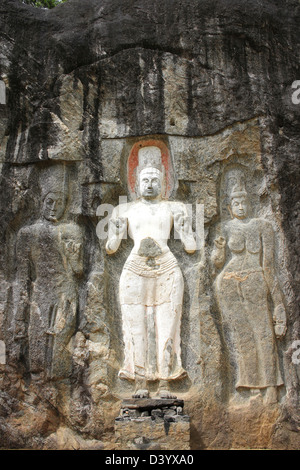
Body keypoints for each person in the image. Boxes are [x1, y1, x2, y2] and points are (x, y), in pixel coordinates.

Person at [106, 146, 196, 398]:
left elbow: (190, 247)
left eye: (155, 179)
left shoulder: (175, 208)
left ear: (165, 182)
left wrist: (184, 228)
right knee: (135, 324)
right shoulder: (124, 210)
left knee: (167, 323)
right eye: (144, 179)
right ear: (135, 182)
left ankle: (166, 381)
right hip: (135, 269)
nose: (149, 184)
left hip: (167, 268)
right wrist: (115, 230)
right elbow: (111, 248)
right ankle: (140, 381)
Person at [211, 182, 287, 404]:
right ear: (229, 206)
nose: (241, 206)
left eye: (244, 202)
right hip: (229, 285)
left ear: (251, 203)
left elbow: (270, 267)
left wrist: (279, 302)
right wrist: (218, 248)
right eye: (236, 202)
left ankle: (271, 385)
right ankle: (251, 385)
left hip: (255, 280)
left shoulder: (262, 226)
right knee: (242, 335)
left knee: (263, 331)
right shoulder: (224, 228)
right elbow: (217, 262)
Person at [13, 181, 83, 382]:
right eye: (49, 202)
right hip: (41, 292)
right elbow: (23, 275)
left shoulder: (72, 230)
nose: (54, 207)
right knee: (38, 340)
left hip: (65, 293)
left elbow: (78, 271)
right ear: (41, 202)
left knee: (61, 340)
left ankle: (59, 382)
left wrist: (72, 255)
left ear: (66, 205)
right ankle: (37, 379)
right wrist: (20, 314)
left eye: (59, 203)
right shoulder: (27, 234)